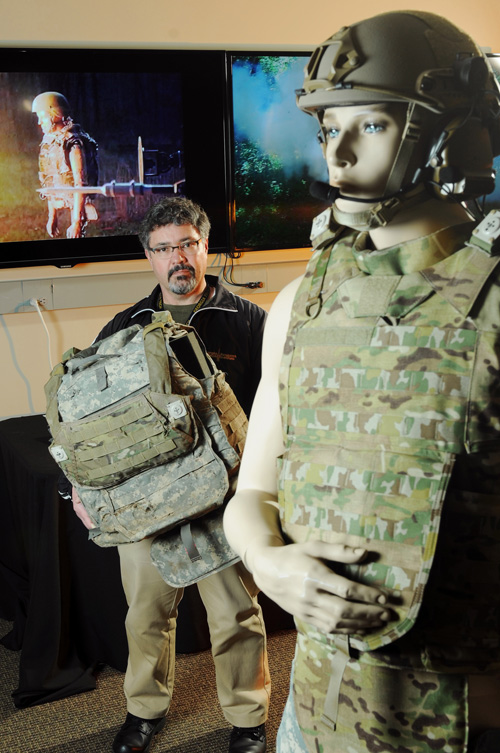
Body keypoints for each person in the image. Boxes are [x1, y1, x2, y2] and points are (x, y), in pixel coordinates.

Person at [223, 10, 500, 753]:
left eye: (371, 125)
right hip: (317, 711)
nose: (337, 153)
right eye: (325, 129)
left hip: (464, 720)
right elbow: (252, 495)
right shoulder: (300, 301)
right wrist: (267, 558)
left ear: (453, 135)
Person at [65, 196, 270, 753]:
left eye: (187, 244)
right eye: (163, 249)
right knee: (146, 614)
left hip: (223, 499)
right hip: (148, 502)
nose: (177, 257)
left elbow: (281, 409)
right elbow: (91, 423)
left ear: (205, 247)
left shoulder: (249, 320)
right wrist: (82, 491)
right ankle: (144, 711)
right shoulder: (125, 326)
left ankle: (248, 719)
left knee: (235, 613)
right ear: (149, 257)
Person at [32, 91, 98, 239]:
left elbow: (80, 184)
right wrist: (52, 216)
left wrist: (76, 223)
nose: (39, 122)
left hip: (77, 205)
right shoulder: (50, 142)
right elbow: (50, 179)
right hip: (61, 200)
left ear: (56, 115)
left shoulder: (73, 143)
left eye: (42, 117)